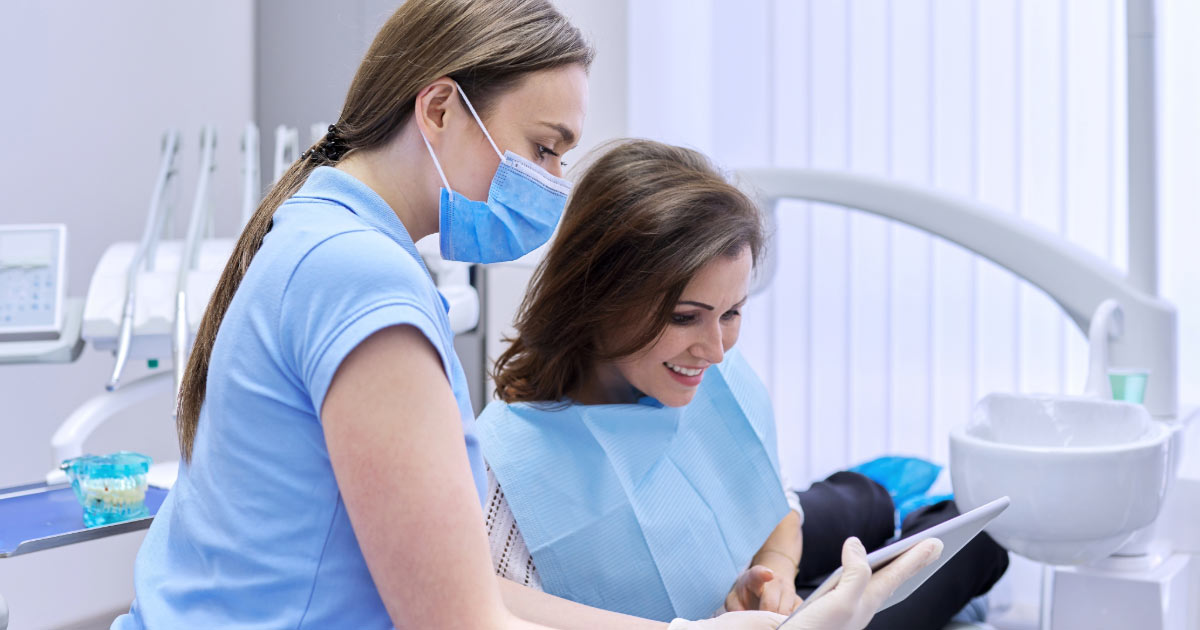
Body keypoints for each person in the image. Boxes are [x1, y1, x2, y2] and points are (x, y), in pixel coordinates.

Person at [111, 2, 940, 629]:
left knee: (884, 511)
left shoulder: (329, 238)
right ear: (438, 109)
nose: (551, 179)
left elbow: (471, 589)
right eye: (544, 147)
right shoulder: (361, 283)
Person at [479, 139, 1001, 629]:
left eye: (731, 313)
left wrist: (775, 573)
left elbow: (776, 508)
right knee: (978, 546)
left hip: (746, 557)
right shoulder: (504, 475)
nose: (716, 350)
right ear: (600, 297)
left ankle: (879, 500)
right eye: (686, 317)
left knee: (871, 504)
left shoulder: (707, 376)